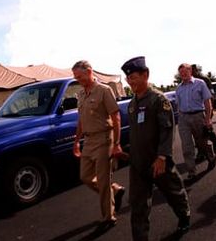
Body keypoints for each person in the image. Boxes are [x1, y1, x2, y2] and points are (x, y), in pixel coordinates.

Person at [121, 56, 190, 240]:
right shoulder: (132, 104)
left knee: (174, 193)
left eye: (133, 77)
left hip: (158, 161)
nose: (130, 81)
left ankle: (184, 217)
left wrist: (162, 157)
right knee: (138, 206)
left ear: (146, 75)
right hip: (138, 163)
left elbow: (167, 129)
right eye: (128, 78)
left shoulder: (158, 100)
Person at [72, 60, 125, 232]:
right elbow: (81, 120)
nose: (78, 80)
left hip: (104, 139)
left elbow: (115, 117)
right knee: (85, 176)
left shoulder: (104, 90)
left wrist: (117, 143)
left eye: (79, 76)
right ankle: (114, 190)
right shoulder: (81, 94)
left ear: (89, 72)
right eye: (75, 77)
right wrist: (76, 142)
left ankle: (108, 217)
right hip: (88, 141)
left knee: (103, 180)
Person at [176, 63, 216, 180]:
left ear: (190, 71)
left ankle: (211, 157)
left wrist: (208, 119)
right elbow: (178, 106)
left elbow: (207, 102)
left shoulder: (200, 83)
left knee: (202, 143)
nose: (183, 74)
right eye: (181, 72)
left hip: (198, 116)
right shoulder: (178, 88)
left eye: (185, 71)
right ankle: (191, 172)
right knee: (187, 146)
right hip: (184, 118)